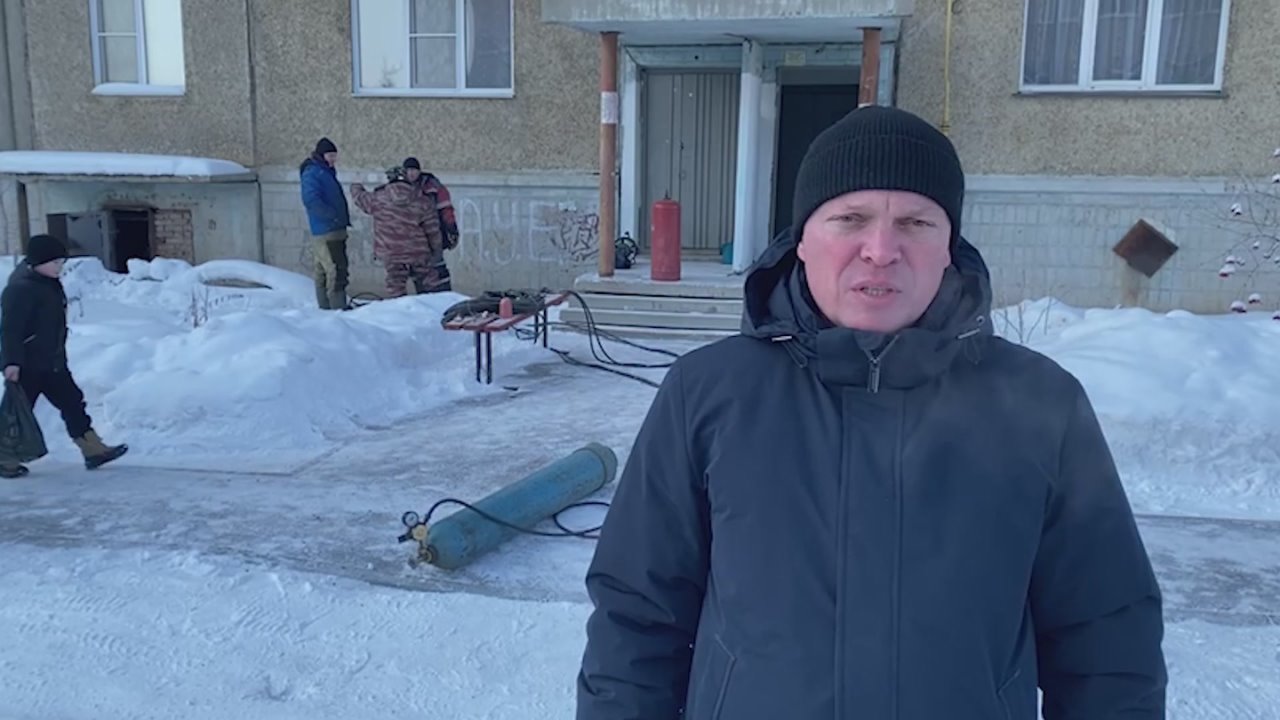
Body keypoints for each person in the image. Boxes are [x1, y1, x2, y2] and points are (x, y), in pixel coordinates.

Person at [575, 106, 1167, 719]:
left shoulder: (1041, 404)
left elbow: (1109, 639)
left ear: (948, 249)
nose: (881, 251)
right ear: (802, 241)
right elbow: (636, 619)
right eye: (850, 219)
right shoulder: (708, 393)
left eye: (915, 222)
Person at [0, 234, 128, 478]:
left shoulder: (48, 283)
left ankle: (93, 449)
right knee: (17, 412)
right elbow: (10, 329)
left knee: (72, 402)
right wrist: (11, 362)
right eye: (55, 263)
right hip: (28, 364)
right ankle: (5, 458)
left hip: (53, 361)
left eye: (62, 262)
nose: (60, 267)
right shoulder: (20, 289)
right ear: (37, 262)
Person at [350, 167, 441, 298]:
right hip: (418, 252)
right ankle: (427, 308)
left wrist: (356, 185)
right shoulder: (421, 199)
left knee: (396, 287)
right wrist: (436, 250)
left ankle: (400, 308)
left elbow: (360, 198)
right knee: (427, 286)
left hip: (391, 252)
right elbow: (433, 229)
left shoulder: (378, 198)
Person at [299, 137, 352, 310]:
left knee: (323, 269)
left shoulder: (324, 171)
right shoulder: (313, 173)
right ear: (321, 155)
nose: (333, 159)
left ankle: (325, 309)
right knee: (335, 270)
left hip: (331, 228)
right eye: (330, 156)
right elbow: (311, 200)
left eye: (335, 156)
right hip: (327, 229)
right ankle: (337, 308)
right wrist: (332, 216)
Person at [403, 157, 458, 292]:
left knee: (437, 267)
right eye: (408, 170)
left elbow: (445, 208)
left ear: (419, 171)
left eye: (414, 170)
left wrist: (451, 227)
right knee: (418, 271)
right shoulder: (400, 188)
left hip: (433, 234)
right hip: (412, 237)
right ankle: (423, 296)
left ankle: (444, 294)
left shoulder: (432, 186)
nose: (411, 173)